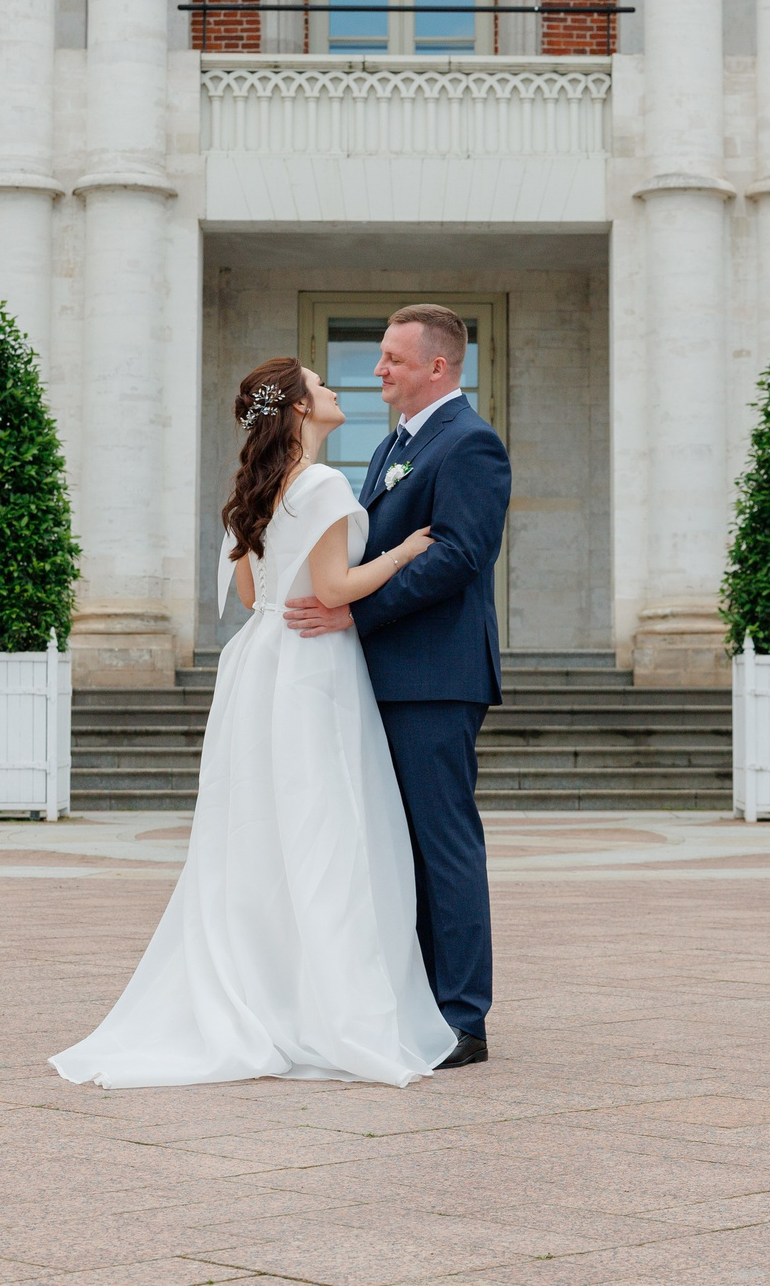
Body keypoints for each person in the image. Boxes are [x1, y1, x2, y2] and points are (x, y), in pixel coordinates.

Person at [49, 357, 459, 1088]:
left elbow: (248, 591)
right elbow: (333, 588)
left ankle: (263, 992)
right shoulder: (323, 483)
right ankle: (321, 1003)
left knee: (261, 831)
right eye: (320, 384)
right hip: (311, 666)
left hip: (258, 661)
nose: (334, 389)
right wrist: (403, 551)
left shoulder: (260, 488)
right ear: (299, 407)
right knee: (324, 828)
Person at [283, 305, 511, 1068]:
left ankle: (462, 1017)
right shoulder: (393, 445)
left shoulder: (470, 442)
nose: (378, 368)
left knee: (442, 843)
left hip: (435, 677)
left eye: (392, 357)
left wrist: (356, 611)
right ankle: (419, 1005)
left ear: (437, 367)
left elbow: (460, 554)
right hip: (387, 675)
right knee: (400, 846)